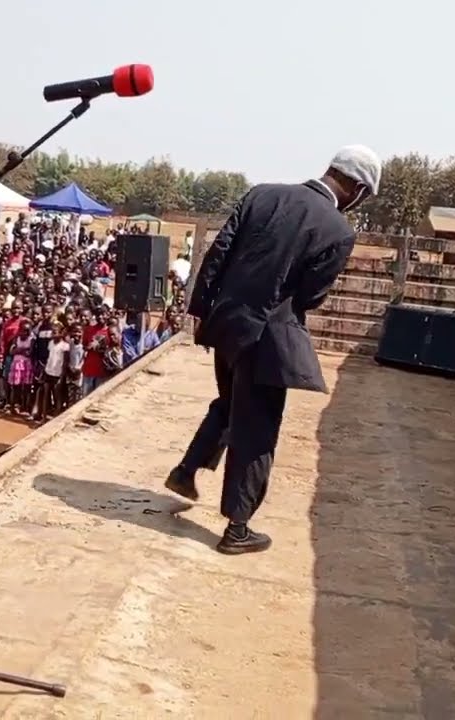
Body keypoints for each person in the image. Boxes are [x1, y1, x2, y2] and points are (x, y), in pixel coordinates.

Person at [164, 145, 382, 555]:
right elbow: (310, 296)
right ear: (354, 187)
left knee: (230, 404)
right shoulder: (338, 230)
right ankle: (237, 529)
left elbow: (218, 253)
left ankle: (187, 469)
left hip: (224, 324)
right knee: (257, 428)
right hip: (266, 338)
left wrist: (201, 310)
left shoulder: (262, 193)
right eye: (364, 195)